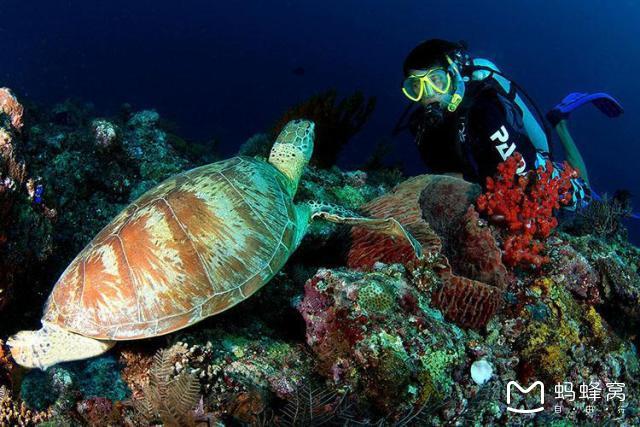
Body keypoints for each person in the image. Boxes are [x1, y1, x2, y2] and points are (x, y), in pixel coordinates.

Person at [395, 39, 624, 211]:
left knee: (582, 198)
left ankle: (560, 123)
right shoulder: (421, 128)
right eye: (416, 87)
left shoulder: (485, 112)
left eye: (436, 80)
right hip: (486, 183)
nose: (429, 94)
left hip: (529, 164)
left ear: (453, 75)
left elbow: (526, 173)